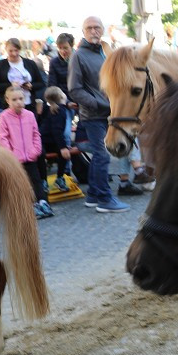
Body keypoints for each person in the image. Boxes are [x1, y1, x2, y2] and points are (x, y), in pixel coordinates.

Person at [68, 15, 128, 213]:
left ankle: (93, 194)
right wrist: (96, 104)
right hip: (93, 114)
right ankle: (104, 198)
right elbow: (74, 89)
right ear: (83, 32)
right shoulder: (78, 55)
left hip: (109, 112)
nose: (94, 31)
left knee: (99, 155)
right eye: (89, 28)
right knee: (102, 155)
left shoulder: (105, 53)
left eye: (97, 27)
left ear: (102, 30)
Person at [0, 85, 52, 219]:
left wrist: (36, 150)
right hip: (15, 159)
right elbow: (3, 137)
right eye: (14, 99)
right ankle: (28, 207)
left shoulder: (30, 115)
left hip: (30, 156)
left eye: (21, 99)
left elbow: (36, 134)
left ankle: (42, 202)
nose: (18, 102)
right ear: (7, 100)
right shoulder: (4, 116)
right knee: (20, 184)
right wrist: (11, 154)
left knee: (36, 180)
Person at [0, 37, 46, 109]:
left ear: (20, 50)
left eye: (16, 50)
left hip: (29, 103)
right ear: (6, 50)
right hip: (8, 106)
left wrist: (31, 86)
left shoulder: (30, 64)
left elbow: (41, 83)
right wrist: (10, 85)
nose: (14, 53)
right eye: (10, 51)